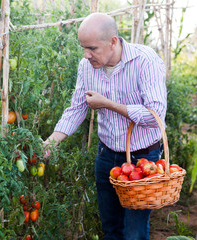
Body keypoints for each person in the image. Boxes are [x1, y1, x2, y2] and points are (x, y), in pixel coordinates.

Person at [43, 13, 166, 240]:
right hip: (107, 155)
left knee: (134, 232)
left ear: (113, 41)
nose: (86, 55)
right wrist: (50, 142)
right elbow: (76, 108)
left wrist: (107, 104)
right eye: (83, 48)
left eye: (92, 48)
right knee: (110, 228)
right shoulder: (86, 66)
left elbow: (155, 115)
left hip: (143, 158)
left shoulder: (145, 61)